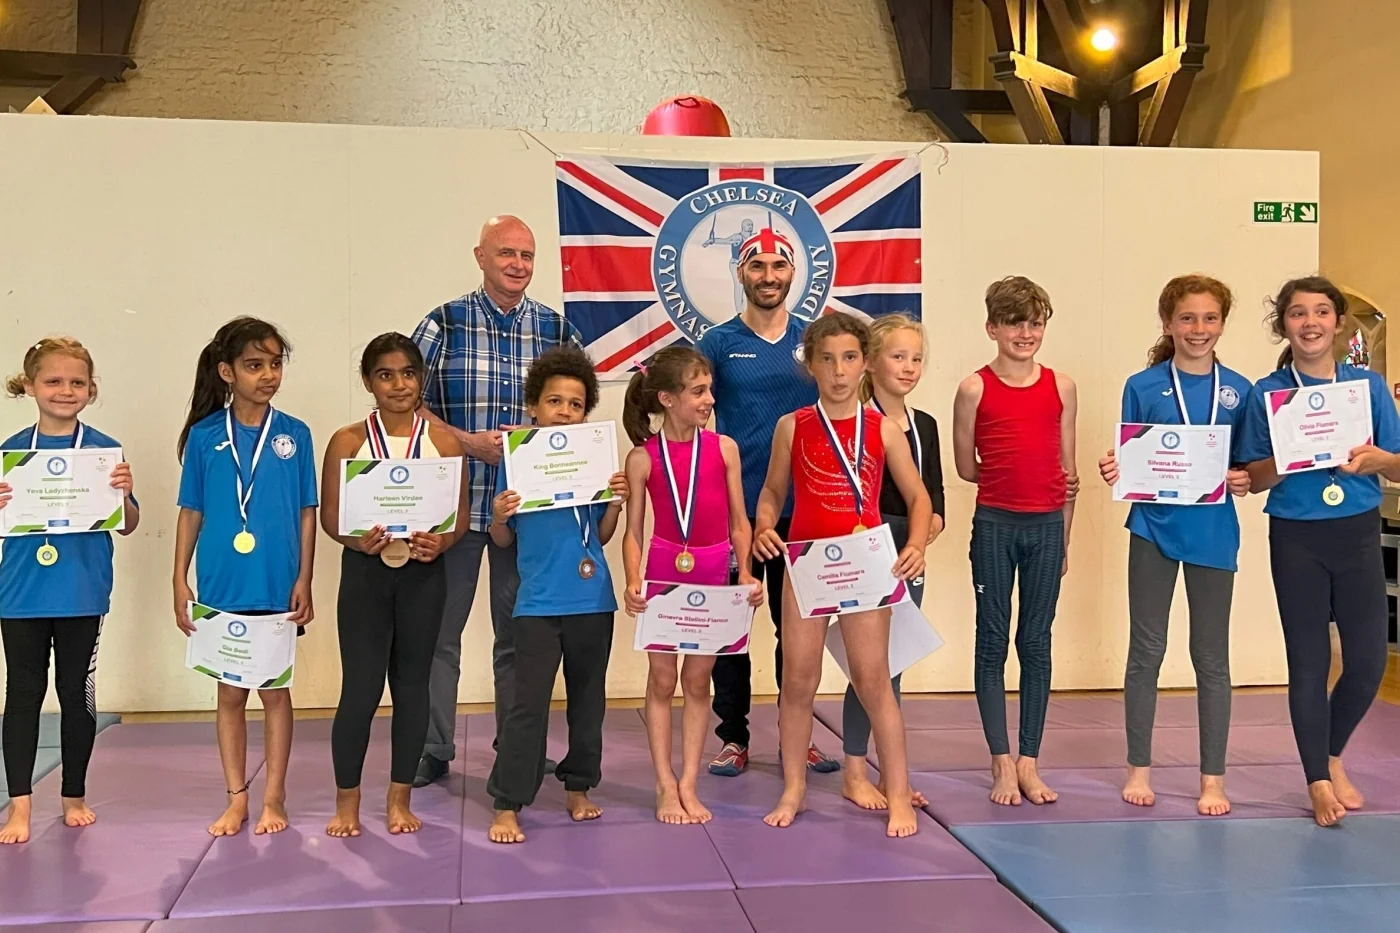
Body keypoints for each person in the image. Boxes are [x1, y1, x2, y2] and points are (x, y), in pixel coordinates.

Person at [411, 215, 583, 788]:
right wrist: (466, 443)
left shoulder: (557, 330)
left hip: (526, 515)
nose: (518, 265)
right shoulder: (443, 323)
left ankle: (518, 744)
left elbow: (577, 418)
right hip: (453, 505)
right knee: (440, 633)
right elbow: (410, 405)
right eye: (506, 253)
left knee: (520, 637)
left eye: (527, 256)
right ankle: (433, 746)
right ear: (480, 255)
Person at [752, 311, 931, 837]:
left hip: (867, 563)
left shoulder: (882, 428)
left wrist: (916, 543)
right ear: (810, 364)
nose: (837, 371)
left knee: (874, 679)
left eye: (849, 358)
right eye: (826, 359)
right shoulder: (793, 426)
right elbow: (771, 492)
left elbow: (919, 497)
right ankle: (794, 789)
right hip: (806, 562)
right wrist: (765, 525)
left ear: (866, 364)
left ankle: (898, 793)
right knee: (797, 680)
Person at [1237, 275, 1400, 827]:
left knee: (1369, 663)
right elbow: (1253, 477)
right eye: (1298, 313)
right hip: (1297, 535)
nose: (1310, 323)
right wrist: (1289, 457)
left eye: (1322, 312)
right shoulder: (1267, 395)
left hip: (1356, 531)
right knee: (1307, 664)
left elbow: (1397, 461)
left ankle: (1329, 754)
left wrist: (1378, 461)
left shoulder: (1369, 388)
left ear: (1337, 322)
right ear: (1283, 323)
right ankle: (1318, 780)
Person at [1096, 276, 1252, 816]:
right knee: (1147, 650)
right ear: (1168, 324)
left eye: (1210, 318)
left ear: (1222, 325)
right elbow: (1131, 455)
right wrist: (1115, 467)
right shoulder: (1142, 385)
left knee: (1211, 658)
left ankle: (1213, 778)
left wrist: (1246, 479)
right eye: (1187, 318)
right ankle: (1139, 767)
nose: (1199, 329)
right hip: (1154, 528)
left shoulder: (1240, 389)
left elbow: (1251, 463)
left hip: (1213, 531)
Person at [319, 334, 469, 838]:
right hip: (365, 575)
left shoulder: (444, 441)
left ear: (420, 377)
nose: (398, 384)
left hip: (424, 577)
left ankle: (400, 797)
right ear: (369, 381)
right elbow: (333, 518)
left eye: (407, 373)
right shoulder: (347, 441)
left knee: (412, 690)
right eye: (385, 375)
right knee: (359, 692)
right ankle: (348, 801)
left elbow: (460, 518)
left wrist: (440, 544)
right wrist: (356, 539)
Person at [697, 225, 833, 778]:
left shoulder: (815, 342)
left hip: (805, 513)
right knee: (733, 628)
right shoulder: (718, 343)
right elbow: (683, 404)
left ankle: (796, 738)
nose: (768, 277)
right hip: (736, 514)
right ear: (741, 273)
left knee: (796, 632)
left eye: (778, 267)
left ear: (793, 274)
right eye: (757, 267)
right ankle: (734, 738)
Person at [173, 317, 317, 837]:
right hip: (221, 583)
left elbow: (306, 511)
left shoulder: (295, 435)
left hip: (277, 584)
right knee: (230, 693)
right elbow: (190, 511)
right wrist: (178, 579)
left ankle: (274, 797)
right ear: (226, 372)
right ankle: (237, 798)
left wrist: (305, 577)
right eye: (255, 365)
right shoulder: (206, 437)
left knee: (275, 693)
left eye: (275, 364)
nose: (268, 375)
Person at [485, 346, 628, 844]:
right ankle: (507, 801)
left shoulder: (593, 461)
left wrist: (614, 502)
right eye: (554, 402)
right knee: (528, 706)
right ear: (534, 406)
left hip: (593, 599)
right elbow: (503, 540)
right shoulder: (517, 462)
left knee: (588, 702)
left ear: (584, 411)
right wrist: (499, 515)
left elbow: (603, 535)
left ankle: (579, 786)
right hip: (538, 604)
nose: (564, 411)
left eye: (574, 404)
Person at [0, 338, 140, 845]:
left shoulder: (104, 452)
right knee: (22, 696)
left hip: (81, 592)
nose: (65, 390)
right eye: (53, 381)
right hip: (20, 595)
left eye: (77, 382)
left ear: (91, 388)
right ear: (30, 386)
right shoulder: (10, 453)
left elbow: (128, 525)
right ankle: (19, 805)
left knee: (76, 696)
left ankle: (73, 794)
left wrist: (123, 494)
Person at [620, 346, 763, 825]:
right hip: (663, 571)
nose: (708, 399)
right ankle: (664, 784)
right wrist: (633, 580)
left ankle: (689, 782)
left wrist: (744, 572)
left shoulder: (723, 449)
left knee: (698, 681)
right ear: (666, 398)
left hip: (712, 574)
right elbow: (634, 531)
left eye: (709, 390)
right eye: (698, 391)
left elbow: (739, 522)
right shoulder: (643, 458)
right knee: (663, 680)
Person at [952, 276, 1078, 807]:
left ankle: (1030, 760)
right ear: (992, 328)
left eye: (1034, 323)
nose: (1025, 333)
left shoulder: (1062, 386)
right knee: (992, 639)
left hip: (1047, 527)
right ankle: (1000, 761)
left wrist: (1065, 537)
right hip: (997, 526)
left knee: (1036, 641)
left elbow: (1068, 471)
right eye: (1013, 323)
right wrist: (1010, 480)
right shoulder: (974, 388)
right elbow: (965, 466)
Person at [840, 314, 944, 812]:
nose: (909, 367)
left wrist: (921, 541)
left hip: (909, 550)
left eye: (917, 358)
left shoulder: (925, 425)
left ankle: (890, 773)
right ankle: (856, 770)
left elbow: (935, 499)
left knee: (893, 665)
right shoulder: (856, 422)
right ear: (871, 361)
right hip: (865, 545)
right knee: (868, 666)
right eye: (898, 356)